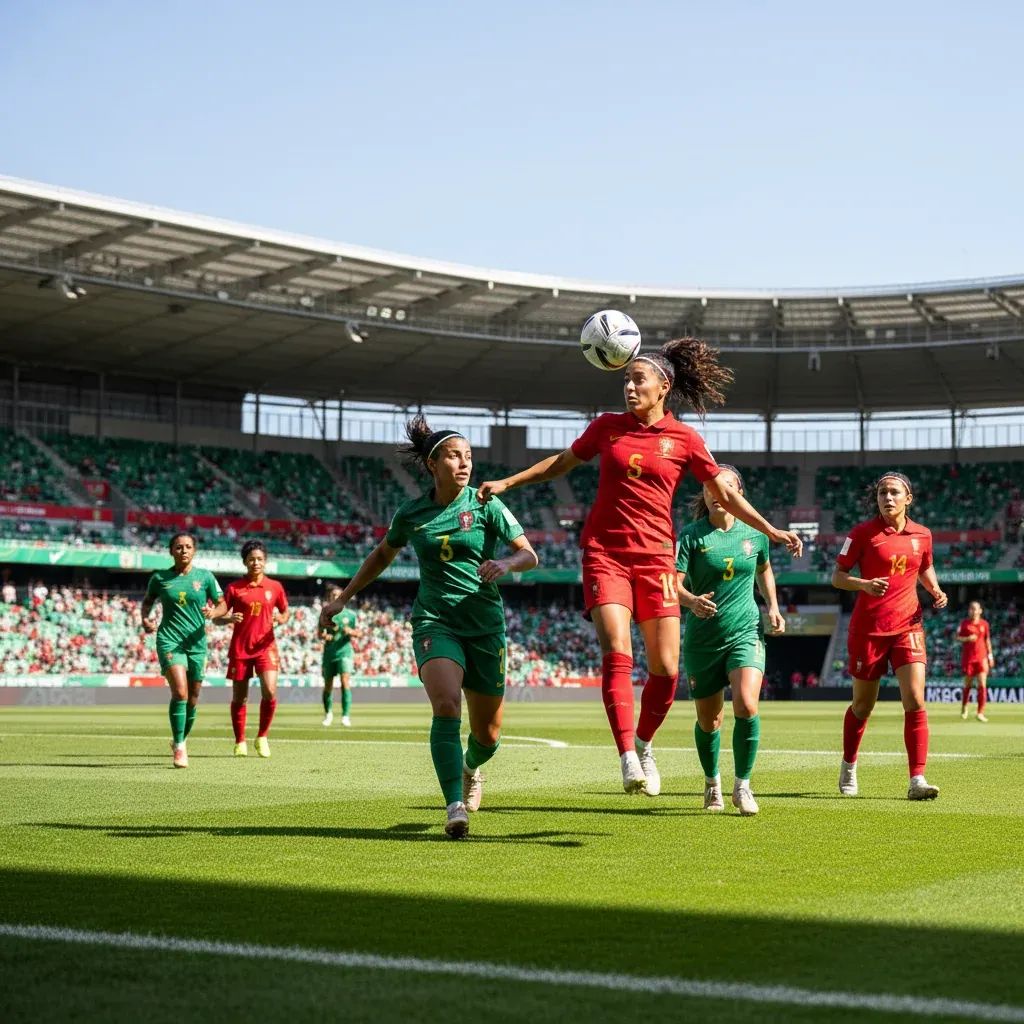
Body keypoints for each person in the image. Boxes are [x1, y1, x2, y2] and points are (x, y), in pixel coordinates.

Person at [477, 339, 802, 795]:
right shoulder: (607, 427)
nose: (629, 387)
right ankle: (627, 754)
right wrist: (509, 482)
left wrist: (770, 530)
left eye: (637, 379)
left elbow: (726, 495)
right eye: (626, 380)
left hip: (657, 559)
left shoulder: (685, 439)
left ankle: (645, 743)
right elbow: (561, 463)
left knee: (667, 670)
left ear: (663, 386)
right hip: (605, 553)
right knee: (616, 650)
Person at [319, 416, 538, 838]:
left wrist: (506, 563)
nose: (464, 463)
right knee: (446, 706)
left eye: (469, 457)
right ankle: (455, 804)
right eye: (454, 456)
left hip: (485, 624)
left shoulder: (486, 503)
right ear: (432, 465)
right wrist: (343, 597)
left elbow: (528, 554)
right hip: (435, 621)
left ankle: (471, 766)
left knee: (488, 735)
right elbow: (382, 555)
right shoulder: (412, 512)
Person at [676, 465, 786, 816]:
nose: (716, 492)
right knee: (710, 721)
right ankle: (712, 784)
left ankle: (743, 786)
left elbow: (764, 568)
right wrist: (691, 601)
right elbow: (671, 584)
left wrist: (773, 606)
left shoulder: (755, 534)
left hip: (745, 631)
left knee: (747, 706)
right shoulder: (692, 536)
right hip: (702, 639)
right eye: (710, 486)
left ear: (738, 494)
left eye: (725, 486)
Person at [832, 471, 948, 800]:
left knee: (914, 699)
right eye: (883, 493)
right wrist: (864, 585)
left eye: (895, 492)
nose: (888, 498)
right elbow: (837, 577)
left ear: (908, 499)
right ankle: (849, 765)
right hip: (868, 630)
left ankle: (917, 779)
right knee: (863, 705)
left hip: (908, 626)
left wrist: (935, 589)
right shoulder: (862, 534)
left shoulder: (922, 535)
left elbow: (924, 566)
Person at [140, 533, 224, 768]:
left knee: (193, 698)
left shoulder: (205, 577)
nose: (183, 550)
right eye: (178, 547)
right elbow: (148, 601)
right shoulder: (159, 578)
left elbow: (222, 603)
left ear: (194, 551)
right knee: (180, 692)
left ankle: (182, 738)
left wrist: (214, 614)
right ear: (171, 551)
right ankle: (179, 746)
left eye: (188, 547)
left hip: (196, 643)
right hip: (169, 640)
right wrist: (145, 619)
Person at [205, 539, 289, 758]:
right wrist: (225, 617)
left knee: (270, 691)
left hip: (266, 647)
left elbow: (285, 613)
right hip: (240, 648)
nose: (256, 563)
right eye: (251, 559)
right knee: (240, 698)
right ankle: (240, 740)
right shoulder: (234, 588)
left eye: (260, 559)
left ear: (265, 561)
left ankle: (262, 737)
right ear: (244, 562)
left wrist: (280, 618)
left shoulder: (275, 587)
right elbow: (218, 617)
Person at [320, 583, 363, 727]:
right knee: (328, 685)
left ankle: (345, 716)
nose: (335, 597)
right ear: (329, 597)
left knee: (345, 682)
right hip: (329, 653)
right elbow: (320, 633)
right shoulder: (325, 612)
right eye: (333, 596)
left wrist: (351, 632)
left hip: (345, 652)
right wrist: (325, 637)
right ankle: (328, 714)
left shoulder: (350, 615)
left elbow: (359, 633)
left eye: (338, 595)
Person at [957, 600, 994, 722]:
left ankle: (980, 712)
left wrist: (990, 656)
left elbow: (987, 640)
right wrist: (967, 638)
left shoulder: (984, 624)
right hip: (968, 658)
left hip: (981, 658)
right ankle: (964, 706)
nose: (972, 611)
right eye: (971, 608)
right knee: (968, 684)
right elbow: (957, 638)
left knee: (982, 685)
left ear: (980, 610)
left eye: (975, 608)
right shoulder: (964, 624)